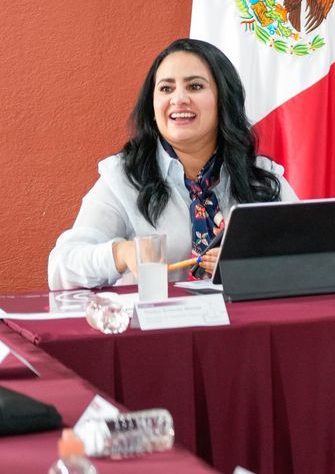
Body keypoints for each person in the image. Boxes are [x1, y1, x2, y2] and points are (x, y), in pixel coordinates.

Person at [48, 39, 297, 289]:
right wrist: (121, 254)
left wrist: (251, 263)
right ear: (153, 107)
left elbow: (315, 256)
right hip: (159, 326)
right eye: (166, 89)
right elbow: (61, 267)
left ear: (224, 100)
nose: (178, 99)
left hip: (245, 324)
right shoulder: (124, 177)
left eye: (195, 86)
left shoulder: (261, 175)